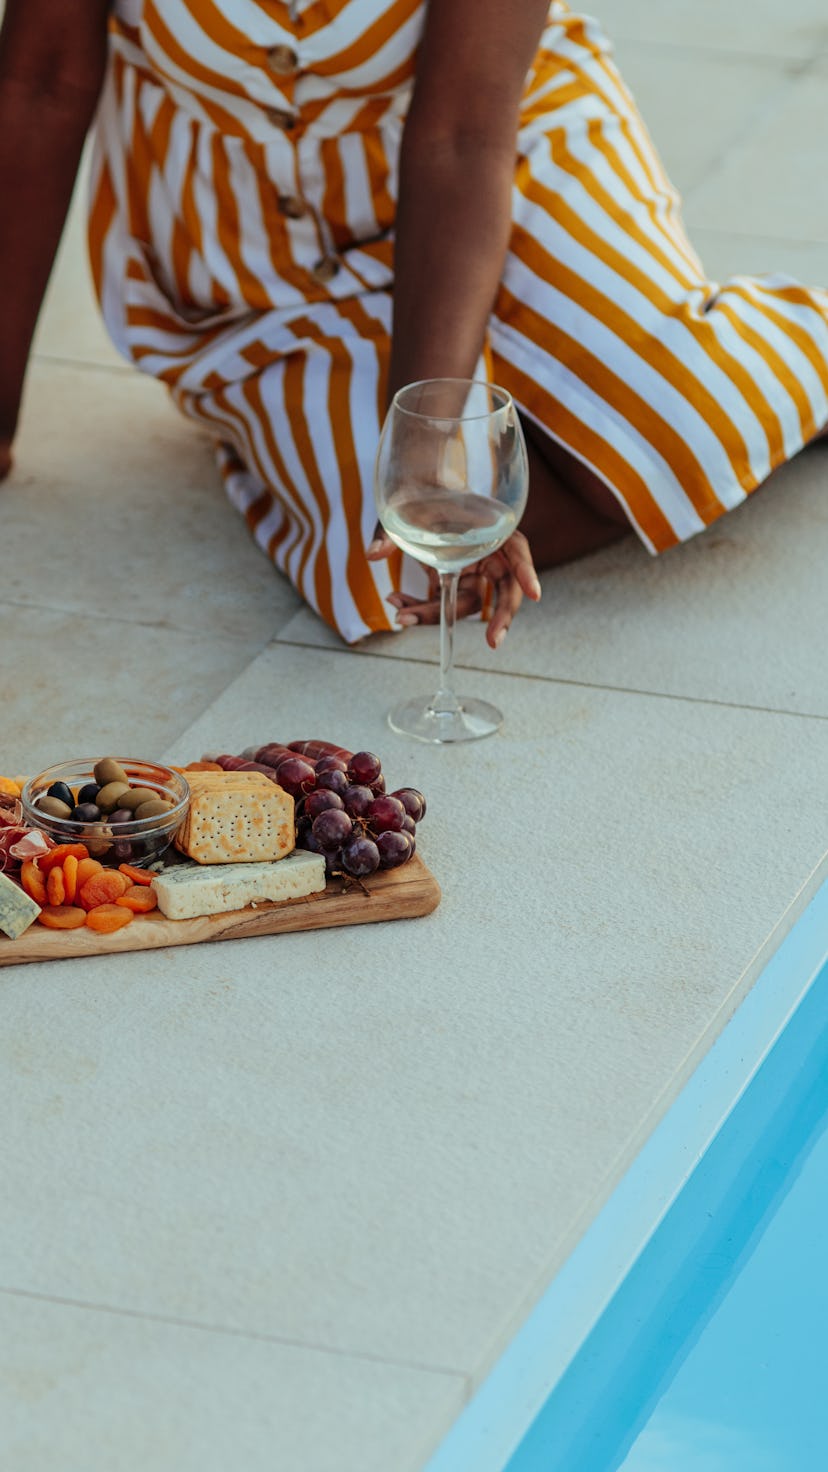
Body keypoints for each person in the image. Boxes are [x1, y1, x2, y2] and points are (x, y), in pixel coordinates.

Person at [2, 1, 827, 648]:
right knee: (390, 565)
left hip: (498, 148)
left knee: (684, 428)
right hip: (249, 233)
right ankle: (297, 408)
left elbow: (461, 137)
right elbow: (40, 85)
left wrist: (424, 453)